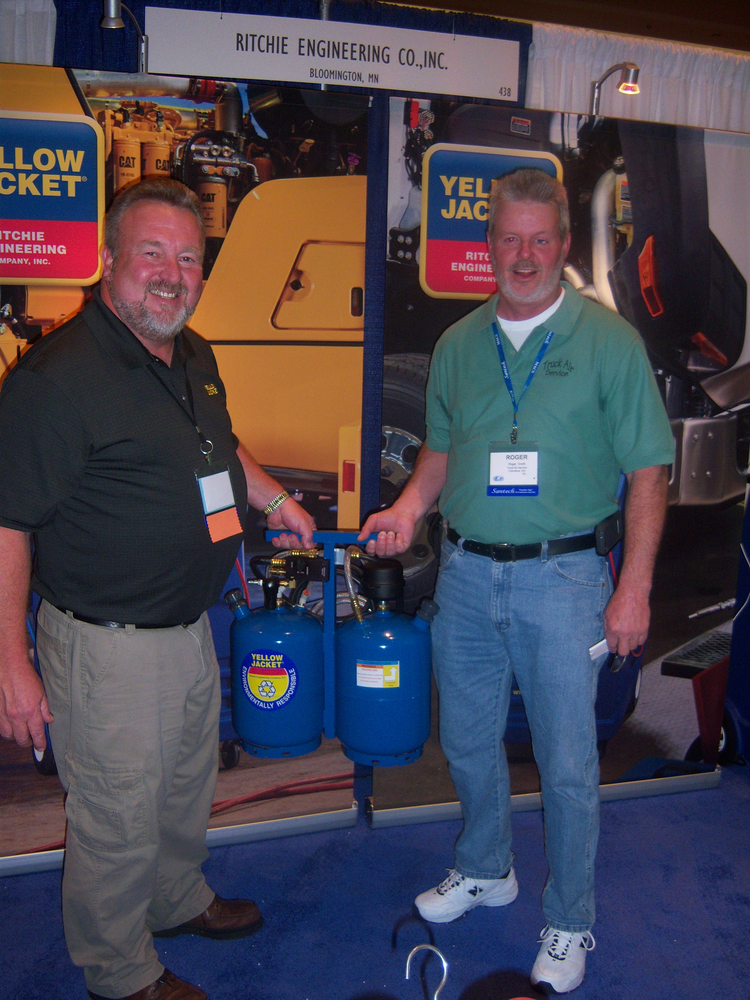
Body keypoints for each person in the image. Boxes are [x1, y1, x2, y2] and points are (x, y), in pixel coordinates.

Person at [359, 168, 674, 994]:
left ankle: (570, 921)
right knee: (464, 740)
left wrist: (632, 587)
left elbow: (648, 473)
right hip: (464, 575)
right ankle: (485, 866)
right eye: (510, 240)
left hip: (565, 581)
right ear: (487, 247)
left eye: (541, 239)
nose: (525, 255)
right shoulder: (460, 345)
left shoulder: (609, 343)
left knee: (567, 763)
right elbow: (442, 451)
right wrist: (407, 511)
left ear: (564, 245)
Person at [0, 178, 315, 1000]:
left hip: (184, 629)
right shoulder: (54, 381)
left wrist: (273, 495)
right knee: (115, 814)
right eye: (152, 255)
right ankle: (117, 968)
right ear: (109, 260)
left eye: (189, 258)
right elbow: (7, 524)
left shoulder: (194, 354)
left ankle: (176, 899)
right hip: (106, 648)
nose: (173, 275)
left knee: (183, 785)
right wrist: (13, 661)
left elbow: (220, 443)